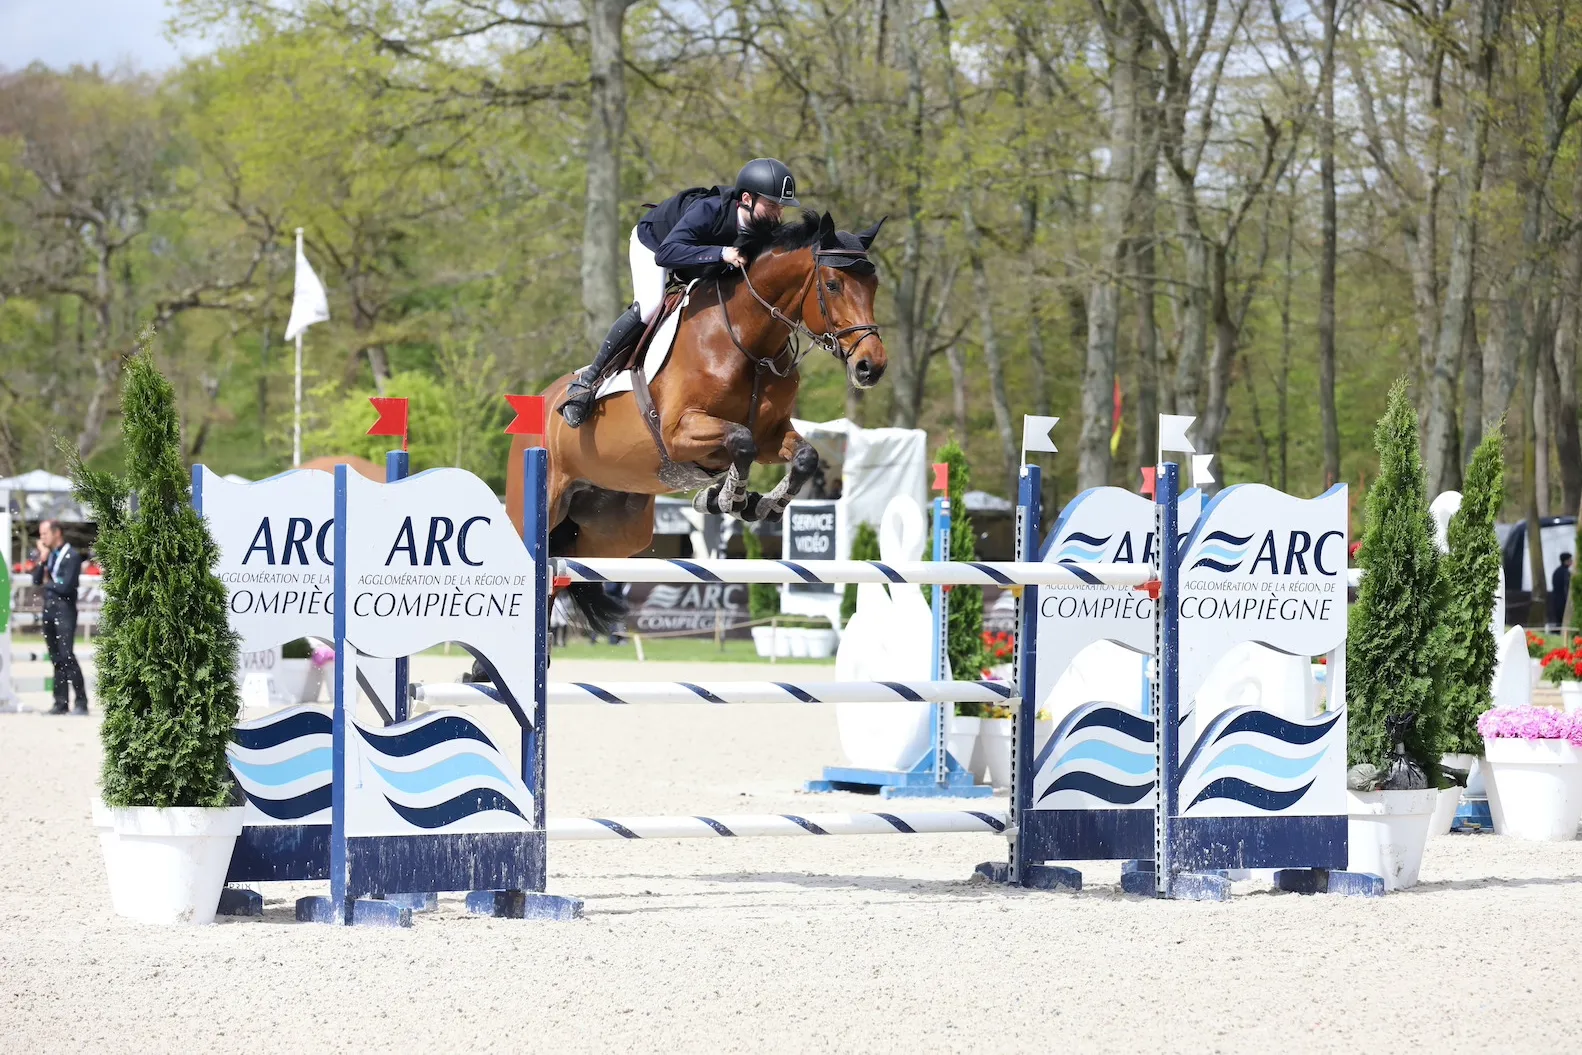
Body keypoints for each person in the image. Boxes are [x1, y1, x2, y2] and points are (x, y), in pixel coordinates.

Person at [558, 158, 803, 428]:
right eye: (771, 206)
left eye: (780, 208)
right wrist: (721, 253)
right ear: (746, 199)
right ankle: (586, 383)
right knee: (650, 305)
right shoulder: (709, 211)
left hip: (702, 257)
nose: (777, 215)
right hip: (657, 244)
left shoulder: (764, 227)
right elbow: (666, 254)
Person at [32, 519, 88, 715]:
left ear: (57, 533)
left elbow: (66, 586)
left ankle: (81, 702)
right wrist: (43, 559)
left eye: (44, 534)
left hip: (65, 611)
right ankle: (60, 702)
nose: (42, 538)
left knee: (67, 655)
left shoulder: (71, 556)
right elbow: (36, 580)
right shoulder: (50, 555)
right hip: (49, 610)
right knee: (56, 658)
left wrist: (49, 584)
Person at [1549, 552, 1573, 630]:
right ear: (1566, 561)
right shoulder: (1566, 573)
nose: (1571, 561)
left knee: (1558, 622)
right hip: (1563, 601)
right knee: (1564, 621)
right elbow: (1567, 588)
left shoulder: (1556, 572)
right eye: (1570, 560)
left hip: (1555, 600)